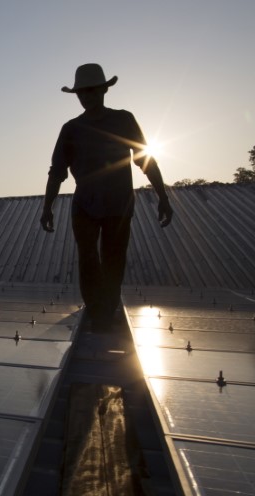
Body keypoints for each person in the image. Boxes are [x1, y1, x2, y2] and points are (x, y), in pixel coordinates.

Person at [40, 63, 173, 333]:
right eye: (81, 93)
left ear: (102, 90)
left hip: (118, 205)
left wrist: (163, 196)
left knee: (113, 259)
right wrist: (47, 207)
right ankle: (95, 309)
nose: (85, 97)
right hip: (85, 206)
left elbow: (145, 159)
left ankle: (107, 310)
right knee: (88, 259)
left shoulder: (124, 120)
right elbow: (57, 172)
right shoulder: (71, 129)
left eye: (90, 91)